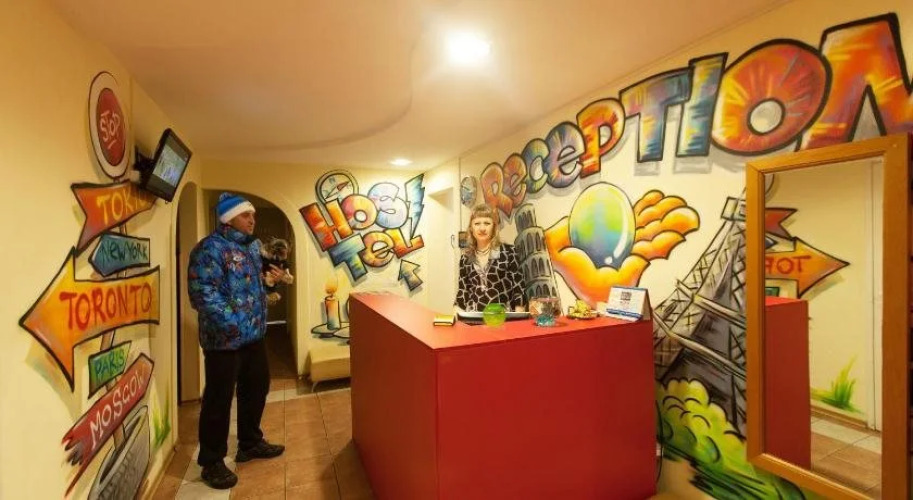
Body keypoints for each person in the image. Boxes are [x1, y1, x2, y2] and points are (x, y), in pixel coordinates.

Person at [188, 192, 287, 489]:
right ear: (229, 219)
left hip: (254, 336)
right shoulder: (209, 249)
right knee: (218, 400)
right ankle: (211, 462)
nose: (252, 220)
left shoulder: (252, 247)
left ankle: (250, 443)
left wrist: (270, 281)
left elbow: (253, 286)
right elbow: (203, 295)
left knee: (257, 388)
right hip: (224, 341)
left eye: (253, 215)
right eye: (246, 215)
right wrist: (234, 324)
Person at [455, 204, 527, 312]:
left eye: (487, 223)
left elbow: (519, 289)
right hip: (473, 318)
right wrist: (455, 315)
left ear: (493, 227)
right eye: (477, 223)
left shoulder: (509, 252)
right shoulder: (466, 258)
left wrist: (518, 318)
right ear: (471, 228)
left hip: (503, 317)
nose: (482, 228)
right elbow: (463, 291)